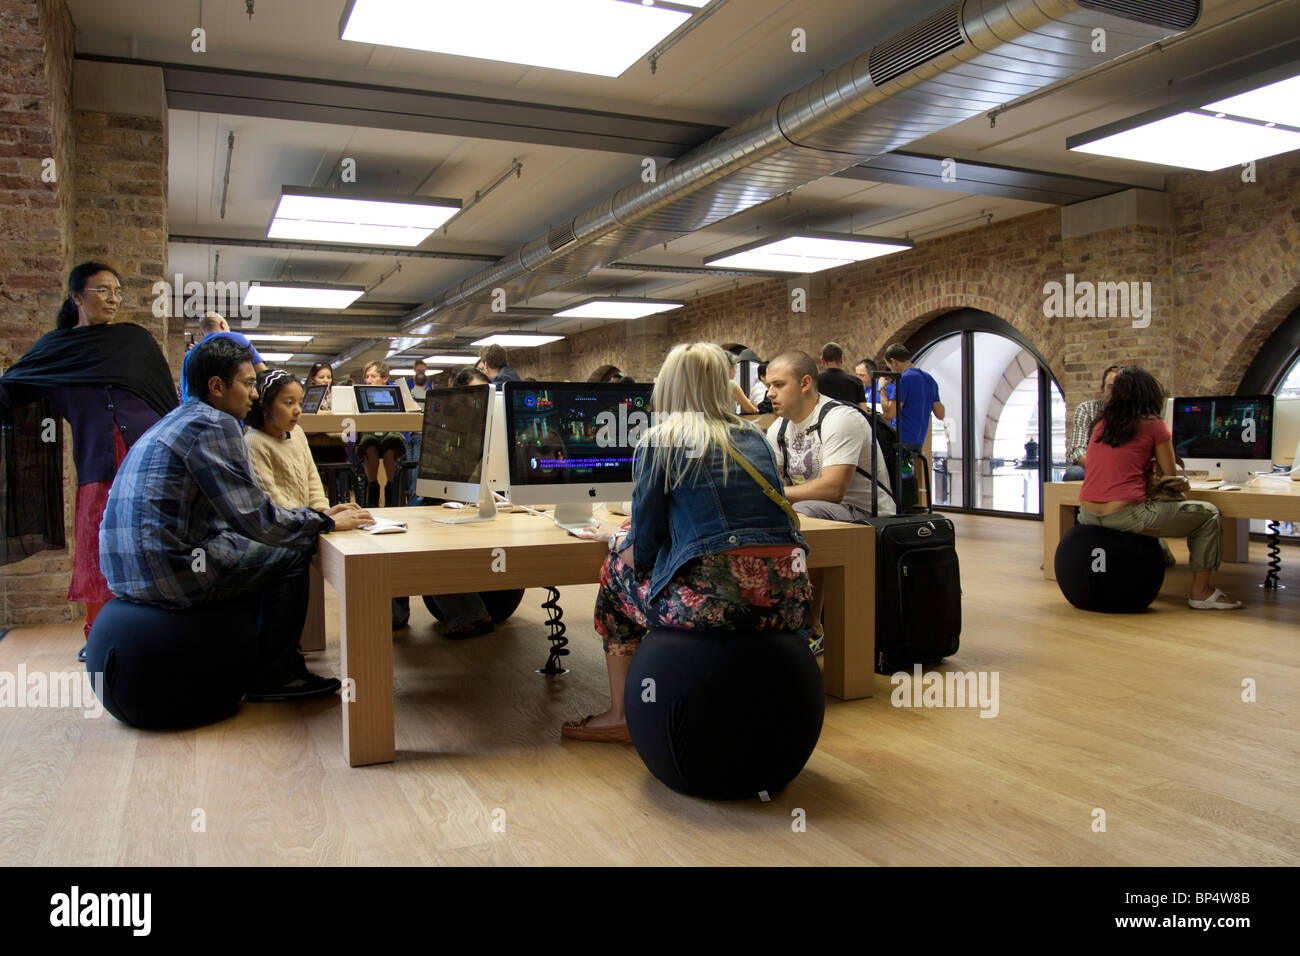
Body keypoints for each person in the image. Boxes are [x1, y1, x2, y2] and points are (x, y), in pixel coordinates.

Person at [99, 337, 375, 702]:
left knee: (254, 548)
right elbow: (257, 520)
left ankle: (253, 655)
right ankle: (278, 675)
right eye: (247, 384)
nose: (254, 394)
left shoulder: (177, 419)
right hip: (169, 572)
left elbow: (242, 515)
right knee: (290, 556)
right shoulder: (216, 424)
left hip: (123, 572)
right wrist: (322, 524)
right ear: (217, 387)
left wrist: (314, 514)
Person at [562, 343, 812, 742]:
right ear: (723, 385)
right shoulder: (757, 438)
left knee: (614, 574)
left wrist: (614, 539)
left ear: (668, 387)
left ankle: (622, 716)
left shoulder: (661, 439)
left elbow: (642, 552)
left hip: (715, 605)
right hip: (789, 598)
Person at [0, 261, 178, 661]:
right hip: (98, 462)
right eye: (103, 290)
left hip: (148, 457)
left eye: (117, 291)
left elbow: (165, 400)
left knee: (152, 539)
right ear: (76, 297)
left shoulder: (135, 341)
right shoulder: (55, 351)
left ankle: (157, 625)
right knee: (98, 544)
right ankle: (99, 634)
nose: (113, 298)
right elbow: (10, 390)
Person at [1076, 366, 1241, 610]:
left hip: (1087, 513)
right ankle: (1201, 592)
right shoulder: (1153, 424)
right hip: (1125, 515)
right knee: (1208, 514)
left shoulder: (1101, 424)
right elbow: (1169, 474)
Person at [765, 350, 895, 651]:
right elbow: (774, 483)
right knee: (781, 512)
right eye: (769, 385)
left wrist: (773, 495)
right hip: (817, 512)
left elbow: (833, 489)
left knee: (801, 511)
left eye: (778, 385)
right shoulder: (778, 428)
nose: (770, 393)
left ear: (805, 383)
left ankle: (811, 626)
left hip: (866, 515)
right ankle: (777, 616)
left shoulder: (840, 418)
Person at [244, 368, 367, 521]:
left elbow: (312, 479)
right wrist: (320, 521)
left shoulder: (297, 433)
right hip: (286, 531)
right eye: (289, 403)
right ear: (264, 406)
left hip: (307, 523)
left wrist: (323, 511)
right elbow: (274, 505)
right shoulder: (255, 442)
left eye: (300, 403)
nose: (297, 410)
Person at [179, 312, 267, 402]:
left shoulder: (191, 354)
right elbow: (263, 373)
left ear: (202, 333)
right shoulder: (234, 338)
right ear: (222, 325)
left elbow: (185, 390)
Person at [356, 360, 408, 507]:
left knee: (391, 445)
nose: (369, 380)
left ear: (385, 378)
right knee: (369, 446)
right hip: (369, 431)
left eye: (373, 376)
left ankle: (390, 488)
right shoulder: (361, 394)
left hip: (390, 431)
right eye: (367, 377)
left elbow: (412, 407)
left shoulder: (397, 393)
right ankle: (373, 487)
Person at [880, 343, 944, 451]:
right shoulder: (929, 379)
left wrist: (881, 389)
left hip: (900, 440)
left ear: (893, 362)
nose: (891, 370)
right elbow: (940, 414)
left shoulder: (904, 380)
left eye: (889, 366)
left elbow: (889, 414)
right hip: (918, 440)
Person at [1065, 365, 1120, 481]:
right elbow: (1077, 452)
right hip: (1092, 465)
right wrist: (1104, 466)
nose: (1116, 392)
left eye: (1120, 388)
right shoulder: (1087, 410)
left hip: (1122, 465)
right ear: (1102, 389)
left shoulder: (1134, 414)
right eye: (1111, 387)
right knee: (1074, 473)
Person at [817, 342, 867, 406]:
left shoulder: (815, 381)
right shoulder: (856, 382)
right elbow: (863, 411)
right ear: (842, 359)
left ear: (822, 360)